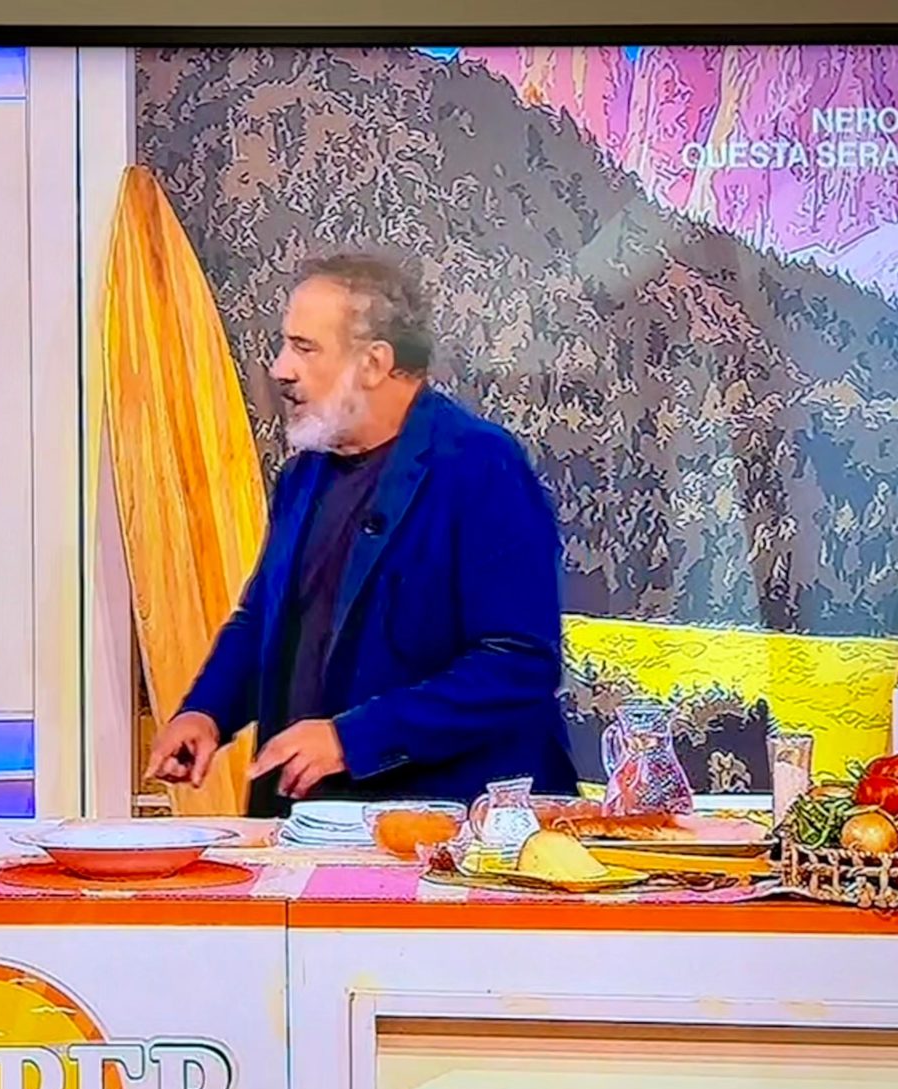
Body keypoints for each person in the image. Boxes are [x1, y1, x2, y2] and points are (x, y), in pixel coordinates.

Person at [146, 253, 576, 816]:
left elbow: (517, 663)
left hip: (451, 828)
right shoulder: (304, 476)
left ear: (374, 363)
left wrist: (352, 739)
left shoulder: (480, 467)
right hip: (315, 824)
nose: (280, 368)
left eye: (304, 348)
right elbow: (262, 620)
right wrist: (206, 712)